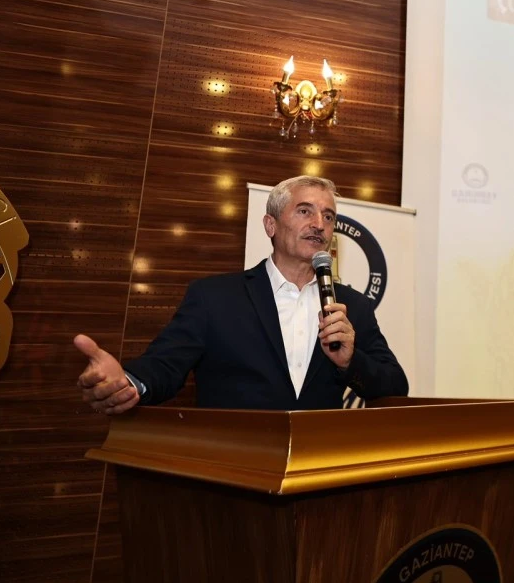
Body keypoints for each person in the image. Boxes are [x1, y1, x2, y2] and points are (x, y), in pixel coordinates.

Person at [75, 175, 408, 414]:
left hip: (317, 473)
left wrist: (350, 361)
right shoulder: (214, 297)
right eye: (305, 211)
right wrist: (129, 382)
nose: (319, 224)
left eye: (328, 216)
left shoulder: (352, 307)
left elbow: (395, 387)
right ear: (270, 225)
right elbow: (165, 365)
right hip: (234, 472)